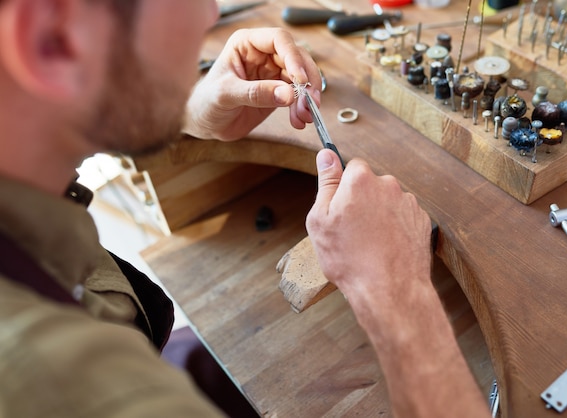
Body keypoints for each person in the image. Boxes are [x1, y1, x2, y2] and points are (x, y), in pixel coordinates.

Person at [0, 0, 489, 417]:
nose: (212, 11)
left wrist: (182, 109)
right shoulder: (74, 387)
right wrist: (399, 293)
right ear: (54, 41)